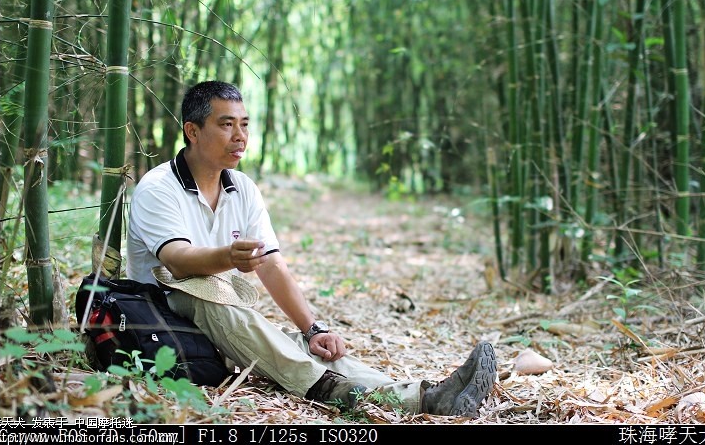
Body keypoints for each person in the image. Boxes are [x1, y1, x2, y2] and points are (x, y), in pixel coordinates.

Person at [126, 80, 497, 417]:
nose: (240, 136)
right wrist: (227, 257)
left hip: (222, 323)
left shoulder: (243, 188)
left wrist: (312, 329)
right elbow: (177, 262)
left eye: (245, 124)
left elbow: (271, 265)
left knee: (302, 347)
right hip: (163, 324)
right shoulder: (159, 187)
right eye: (226, 125)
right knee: (201, 293)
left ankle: (423, 396)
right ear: (192, 131)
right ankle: (327, 388)